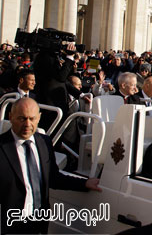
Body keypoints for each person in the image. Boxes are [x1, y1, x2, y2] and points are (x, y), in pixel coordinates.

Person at [0, 98, 101, 234]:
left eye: (32, 118)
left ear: (39, 118)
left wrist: (85, 183)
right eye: (22, 118)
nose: (27, 124)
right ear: (10, 117)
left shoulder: (44, 143)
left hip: (38, 225)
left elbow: (53, 177)